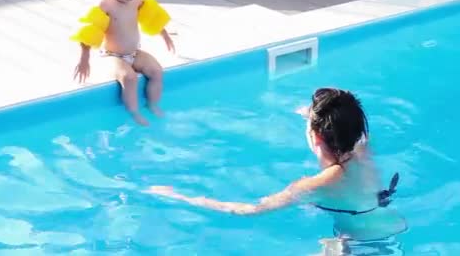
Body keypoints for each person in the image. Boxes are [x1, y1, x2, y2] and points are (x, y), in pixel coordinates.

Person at [147, 88, 407, 251]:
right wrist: (314, 116)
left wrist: (181, 197)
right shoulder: (360, 150)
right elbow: (349, 121)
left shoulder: (318, 183)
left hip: (363, 247)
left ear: (315, 137)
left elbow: (249, 211)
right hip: (394, 230)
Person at [73, 0, 175, 126]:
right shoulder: (105, 5)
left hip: (134, 53)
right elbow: (90, 31)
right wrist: (84, 59)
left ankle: (152, 104)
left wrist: (164, 34)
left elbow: (151, 17)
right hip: (112, 56)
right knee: (129, 78)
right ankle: (134, 112)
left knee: (157, 71)